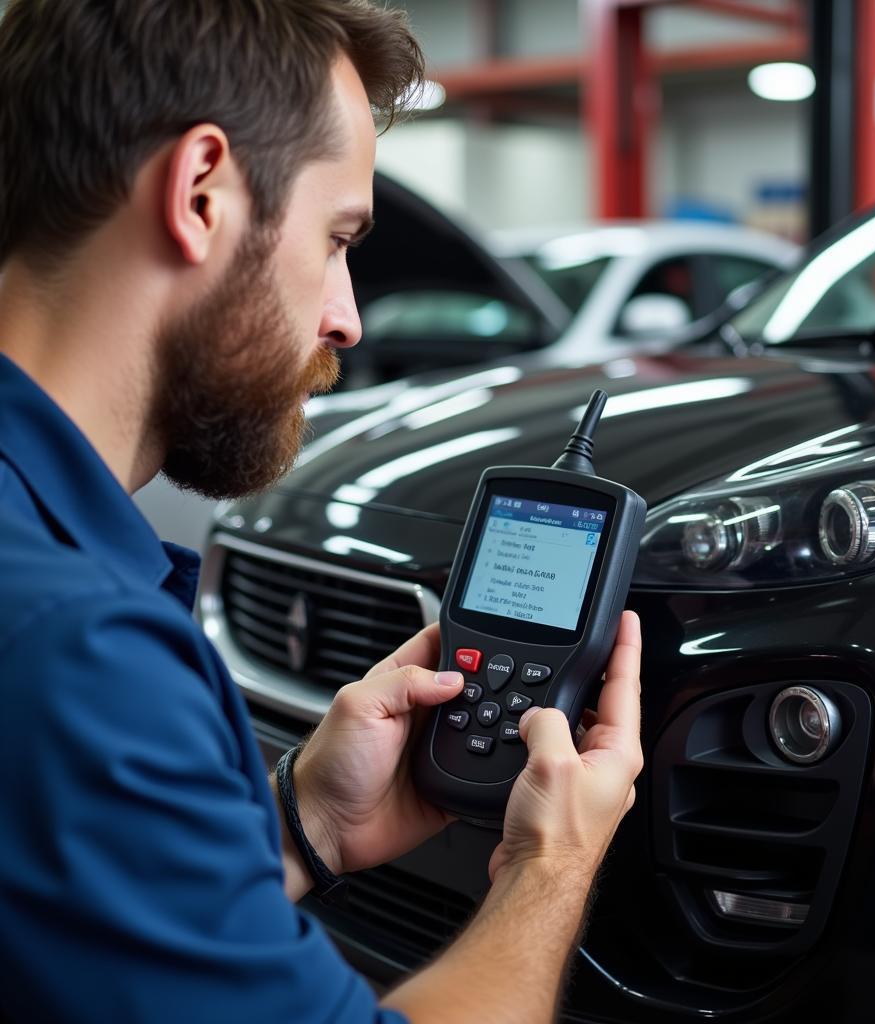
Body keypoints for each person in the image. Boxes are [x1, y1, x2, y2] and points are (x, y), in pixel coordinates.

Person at [0, 1, 644, 1022]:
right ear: (201, 190)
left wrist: (307, 825)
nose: (346, 315)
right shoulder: (76, 651)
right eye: (338, 238)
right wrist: (549, 863)